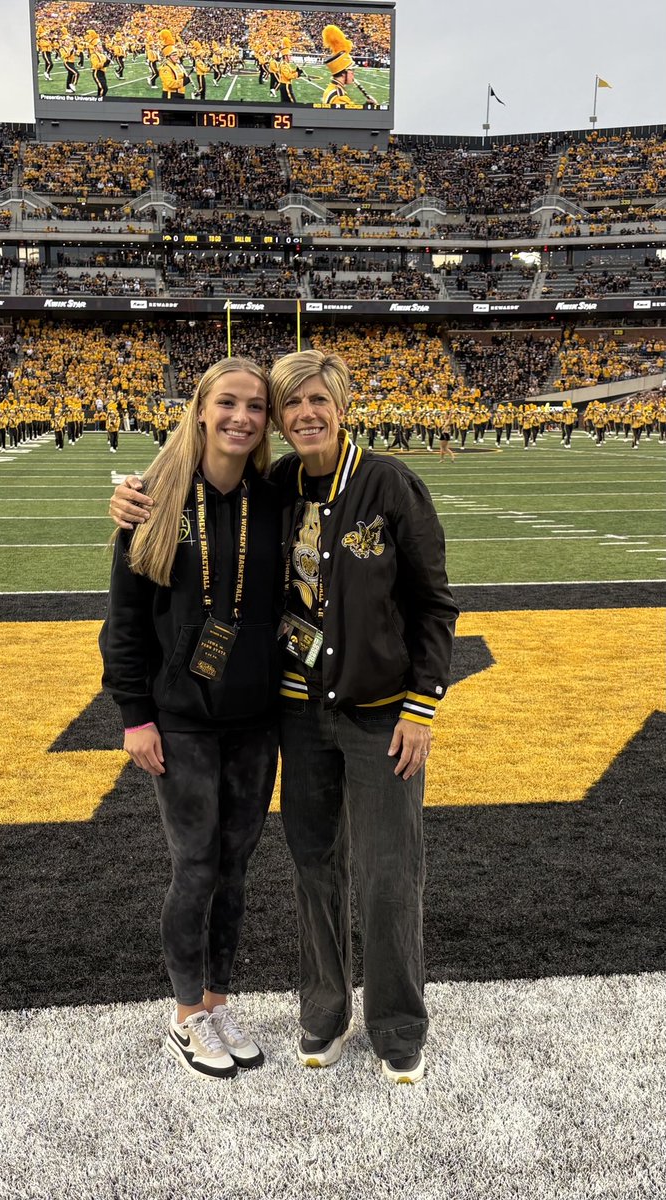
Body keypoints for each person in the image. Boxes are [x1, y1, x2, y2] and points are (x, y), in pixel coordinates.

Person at [109, 349, 457, 1085]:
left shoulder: (386, 483)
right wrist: (131, 500)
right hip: (292, 713)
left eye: (314, 400)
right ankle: (320, 1011)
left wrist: (422, 705)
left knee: (388, 875)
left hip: (373, 713)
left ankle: (398, 1026)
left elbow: (433, 603)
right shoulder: (275, 487)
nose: (302, 414)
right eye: (289, 402)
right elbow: (145, 586)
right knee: (310, 869)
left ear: (341, 406)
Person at [99, 357, 282, 1082]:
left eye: (255, 407)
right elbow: (124, 622)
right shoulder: (153, 500)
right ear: (201, 409)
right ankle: (184, 1015)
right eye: (228, 403)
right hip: (180, 720)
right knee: (196, 865)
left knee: (235, 867)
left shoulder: (277, 500)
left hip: (257, 720)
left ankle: (217, 1000)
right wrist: (134, 715)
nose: (242, 417)